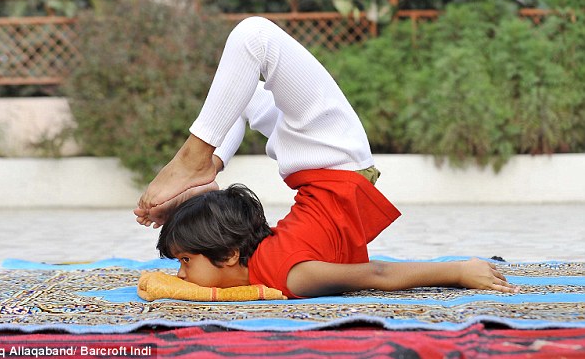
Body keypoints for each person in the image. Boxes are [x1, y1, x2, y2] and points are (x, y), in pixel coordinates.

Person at [134, 16, 519, 298]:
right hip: (326, 158)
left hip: (325, 158)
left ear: (232, 253)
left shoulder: (284, 273)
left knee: (253, 43)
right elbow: (373, 274)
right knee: (248, 60)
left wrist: (460, 271)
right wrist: (459, 270)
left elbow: (379, 273)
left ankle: (203, 161)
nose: (181, 275)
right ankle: (206, 166)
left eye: (185, 260)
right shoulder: (286, 275)